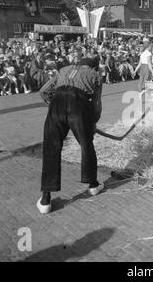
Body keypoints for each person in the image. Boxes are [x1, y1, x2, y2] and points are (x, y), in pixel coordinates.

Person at [37, 49, 104, 214]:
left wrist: (54, 106)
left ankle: (46, 199)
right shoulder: (95, 76)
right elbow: (96, 104)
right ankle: (93, 185)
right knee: (86, 145)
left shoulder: (64, 70)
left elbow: (43, 91)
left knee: (51, 149)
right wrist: (92, 124)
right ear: (94, 68)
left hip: (56, 104)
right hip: (79, 106)